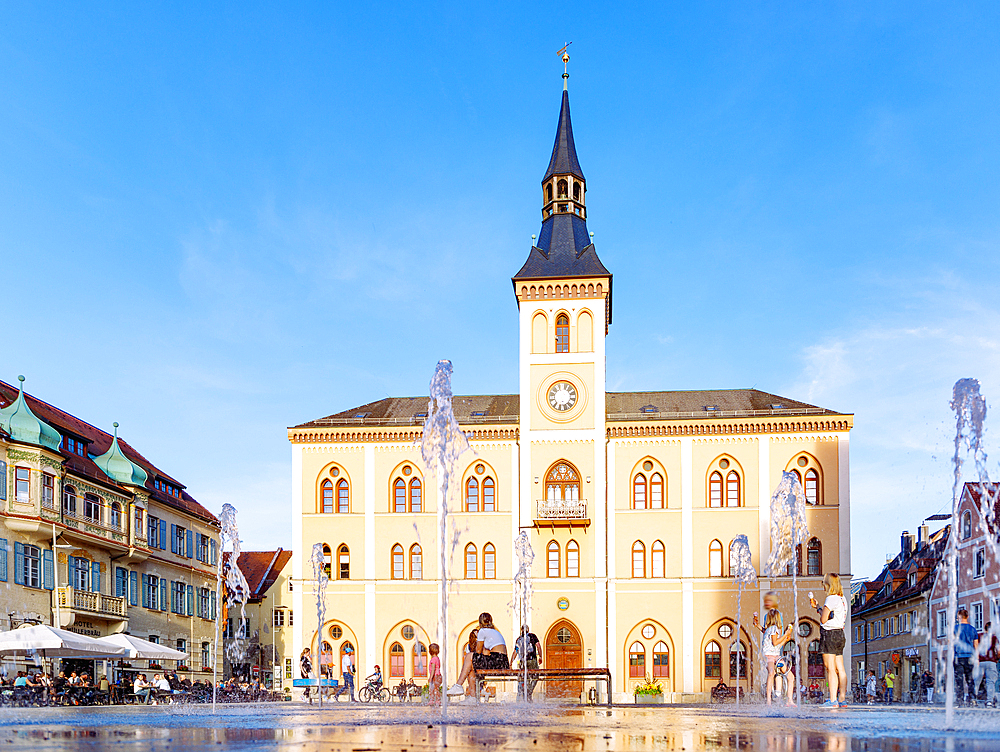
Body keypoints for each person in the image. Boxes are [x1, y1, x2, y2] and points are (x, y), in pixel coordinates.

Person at [810, 573, 849, 708]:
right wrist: (818, 607)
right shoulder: (842, 599)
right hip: (840, 634)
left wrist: (821, 610)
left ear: (828, 584)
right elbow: (832, 616)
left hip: (829, 634)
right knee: (840, 668)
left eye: (824, 583)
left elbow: (823, 620)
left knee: (830, 668)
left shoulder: (831, 598)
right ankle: (842, 699)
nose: (823, 585)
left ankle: (832, 700)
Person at [759, 608, 796, 706]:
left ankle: (786, 701)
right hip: (770, 656)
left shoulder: (770, 629)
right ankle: (772, 701)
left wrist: (786, 639)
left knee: (786, 676)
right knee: (775, 673)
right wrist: (786, 635)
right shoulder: (774, 629)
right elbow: (775, 642)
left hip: (775, 655)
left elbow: (777, 645)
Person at [954, 608, 979, 706]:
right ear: (967, 616)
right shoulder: (973, 629)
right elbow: (976, 645)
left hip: (958, 657)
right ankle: (972, 699)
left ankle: (960, 701)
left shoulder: (955, 629)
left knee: (959, 680)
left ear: (958, 617)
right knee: (970, 680)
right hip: (970, 657)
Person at [511, 624, 541, 702]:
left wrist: (511, 662)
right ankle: (529, 693)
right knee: (535, 676)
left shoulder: (519, 639)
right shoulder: (532, 636)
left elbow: (515, 651)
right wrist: (540, 656)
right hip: (532, 660)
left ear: (521, 630)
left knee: (525, 679)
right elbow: (538, 646)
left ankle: (527, 695)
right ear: (528, 629)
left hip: (522, 661)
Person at [449, 629, 480, 698]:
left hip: (479, 665)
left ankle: (459, 686)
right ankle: (473, 697)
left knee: (470, 669)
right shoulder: (469, 646)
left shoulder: (481, 642)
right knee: (470, 671)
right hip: (474, 665)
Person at [976, 621, 998, 708]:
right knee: (990, 682)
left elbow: (975, 647)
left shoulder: (979, 636)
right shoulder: (994, 638)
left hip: (980, 661)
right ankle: (989, 701)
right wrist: (996, 659)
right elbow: (998, 650)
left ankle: (974, 700)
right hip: (991, 661)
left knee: (976, 682)